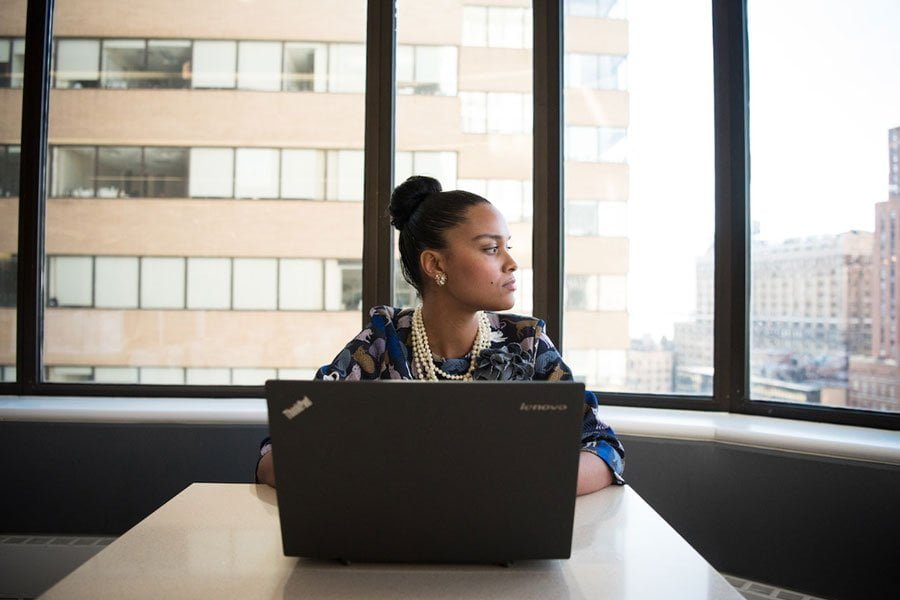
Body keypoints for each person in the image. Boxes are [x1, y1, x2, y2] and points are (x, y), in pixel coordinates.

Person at [256, 175, 625, 494]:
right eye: (490, 248)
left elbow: (603, 446)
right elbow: (279, 449)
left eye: (507, 247)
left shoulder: (527, 342)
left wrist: (523, 484)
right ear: (435, 264)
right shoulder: (381, 342)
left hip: (506, 544)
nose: (511, 263)